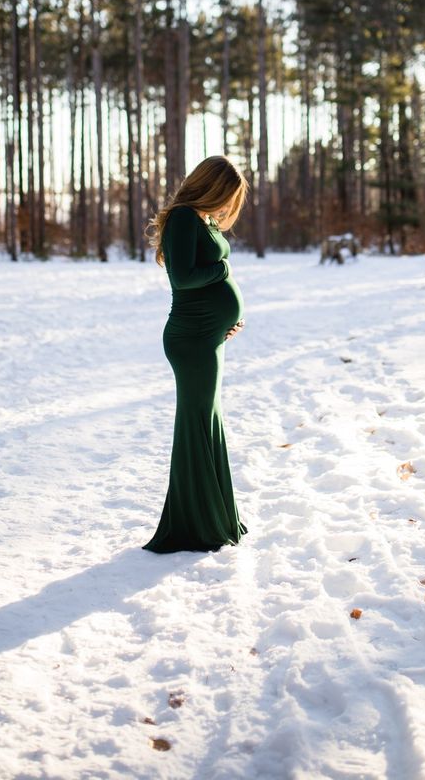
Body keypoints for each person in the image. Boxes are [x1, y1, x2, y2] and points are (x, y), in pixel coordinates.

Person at [142, 156, 249, 554]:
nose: (226, 205)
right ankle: (192, 527)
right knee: (196, 425)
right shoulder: (185, 218)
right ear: (210, 187)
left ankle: (213, 517)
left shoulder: (202, 219)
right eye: (225, 195)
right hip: (190, 339)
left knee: (207, 422)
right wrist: (222, 273)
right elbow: (183, 278)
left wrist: (225, 321)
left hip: (206, 335)